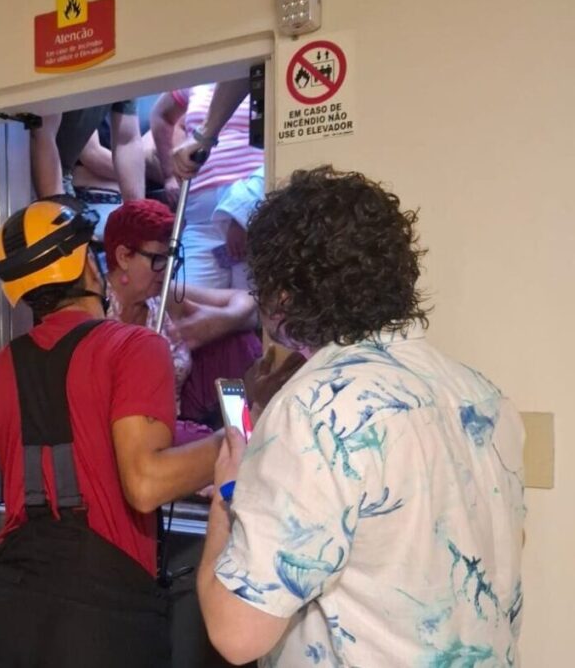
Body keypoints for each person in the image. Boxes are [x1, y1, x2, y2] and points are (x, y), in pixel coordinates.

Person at [197, 167, 525, 666]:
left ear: (283, 291)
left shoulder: (316, 408)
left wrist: (228, 494)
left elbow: (236, 633)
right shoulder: (482, 395)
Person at [0, 200, 223, 667]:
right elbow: (146, 484)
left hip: (12, 619)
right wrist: (238, 442)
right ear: (87, 263)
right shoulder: (134, 347)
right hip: (105, 626)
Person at [101, 198, 261, 434]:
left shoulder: (165, 296)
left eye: (171, 259)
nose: (167, 270)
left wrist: (217, 322)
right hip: (124, 433)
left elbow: (246, 298)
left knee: (241, 345)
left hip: (176, 420)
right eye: (158, 259)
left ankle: (241, 430)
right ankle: (240, 441)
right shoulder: (96, 308)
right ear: (124, 256)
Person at [151, 83, 263, 289]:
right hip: (199, 215)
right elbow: (160, 116)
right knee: (184, 298)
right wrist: (168, 175)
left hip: (253, 207)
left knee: (254, 306)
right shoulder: (196, 79)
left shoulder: (260, 74)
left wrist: (245, 214)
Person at [31, 101, 145, 237]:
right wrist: (58, 223)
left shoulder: (124, 81)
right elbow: (43, 133)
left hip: (63, 175)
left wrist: (137, 218)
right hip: (23, 170)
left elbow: (127, 140)